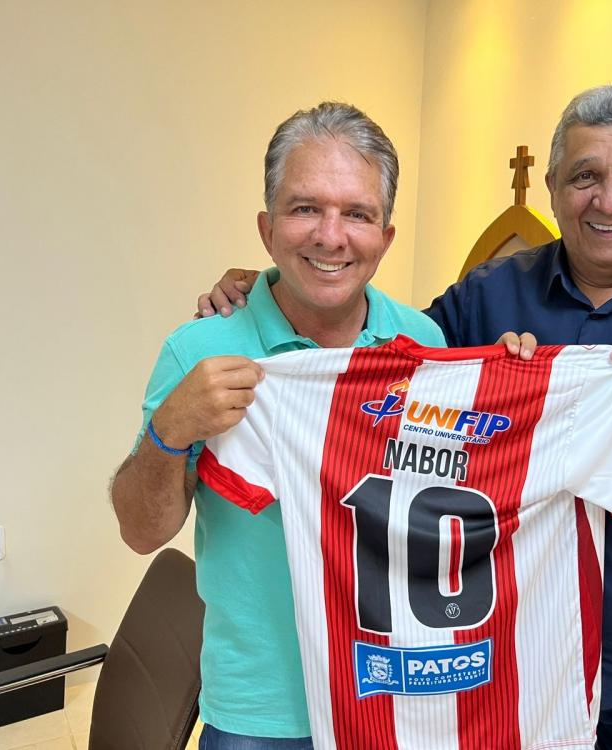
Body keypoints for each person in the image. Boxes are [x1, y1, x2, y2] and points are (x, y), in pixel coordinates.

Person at [200, 79, 612, 750]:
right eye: (584, 176)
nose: (608, 199)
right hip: (517, 667)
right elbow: (371, 362)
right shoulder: (488, 297)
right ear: (551, 187)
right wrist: (275, 287)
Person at [111, 102, 446, 749]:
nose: (330, 236)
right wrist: (170, 430)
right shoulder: (198, 350)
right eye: (305, 208)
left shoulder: (426, 344)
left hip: (397, 694)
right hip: (260, 717)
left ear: (386, 237)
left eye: (357, 214)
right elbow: (140, 532)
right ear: (267, 229)